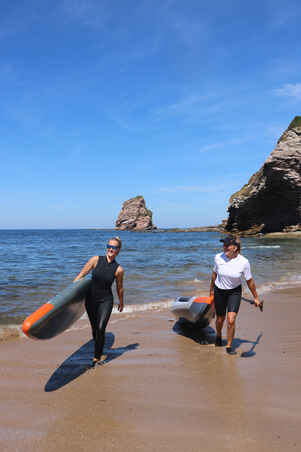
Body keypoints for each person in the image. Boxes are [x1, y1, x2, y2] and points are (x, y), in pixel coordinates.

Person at [73, 236, 124, 366]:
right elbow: (81, 275)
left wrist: (121, 302)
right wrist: (71, 291)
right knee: (95, 329)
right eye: (109, 246)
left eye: (114, 247)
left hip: (106, 300)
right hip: (90, 299)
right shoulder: (95, 260)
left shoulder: (119, 269)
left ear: (118, 250)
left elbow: (120, 287)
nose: (111, 249)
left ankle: (97, 356)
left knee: (101, 328)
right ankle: (99, 346)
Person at [209, 236, 261, 355]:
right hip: (219, 291)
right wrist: (211, 291)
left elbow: (250, 281)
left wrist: (256, 297)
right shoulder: (218, 257)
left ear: (235, 248)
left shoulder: (244, 262)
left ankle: (229, 345)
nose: (224, 247)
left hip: (234, 292)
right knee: (220, 319)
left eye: (227, 245)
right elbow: (214, 275)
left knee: (231, 320)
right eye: (224, 245)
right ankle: (218, 335)